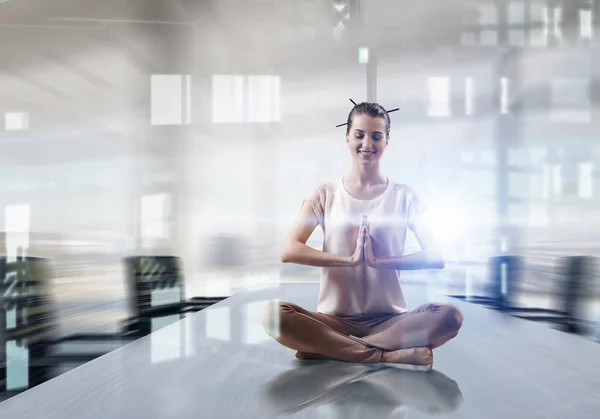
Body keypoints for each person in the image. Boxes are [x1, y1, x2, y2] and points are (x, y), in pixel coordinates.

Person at [261, 102, 463, 370]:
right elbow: (289, 250)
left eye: (376, 136)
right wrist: (349, 260)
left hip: (390, 321)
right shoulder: (324, 194)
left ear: (387, 141)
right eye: (359, 134)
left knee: (450, 316)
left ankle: (331, 347)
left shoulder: (404, 196)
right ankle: (384, 354)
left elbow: (435, 256)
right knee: (274, 316)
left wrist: (380, 261)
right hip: (333, 319)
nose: (367, 143)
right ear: (347, 137)